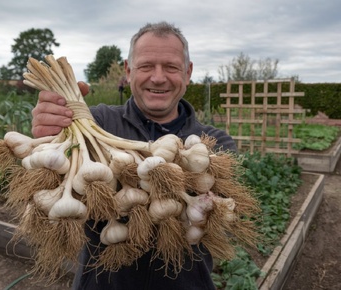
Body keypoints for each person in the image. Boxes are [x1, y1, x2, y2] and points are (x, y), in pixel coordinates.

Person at [31, 21, 236, 290]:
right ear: (129, 71)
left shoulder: (216, 145)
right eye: (146, 66)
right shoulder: (97, 121)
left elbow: (219, 213)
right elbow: (49, 177)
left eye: (171, 67)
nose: (158, 77)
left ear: (188, 73)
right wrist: (51, 136)